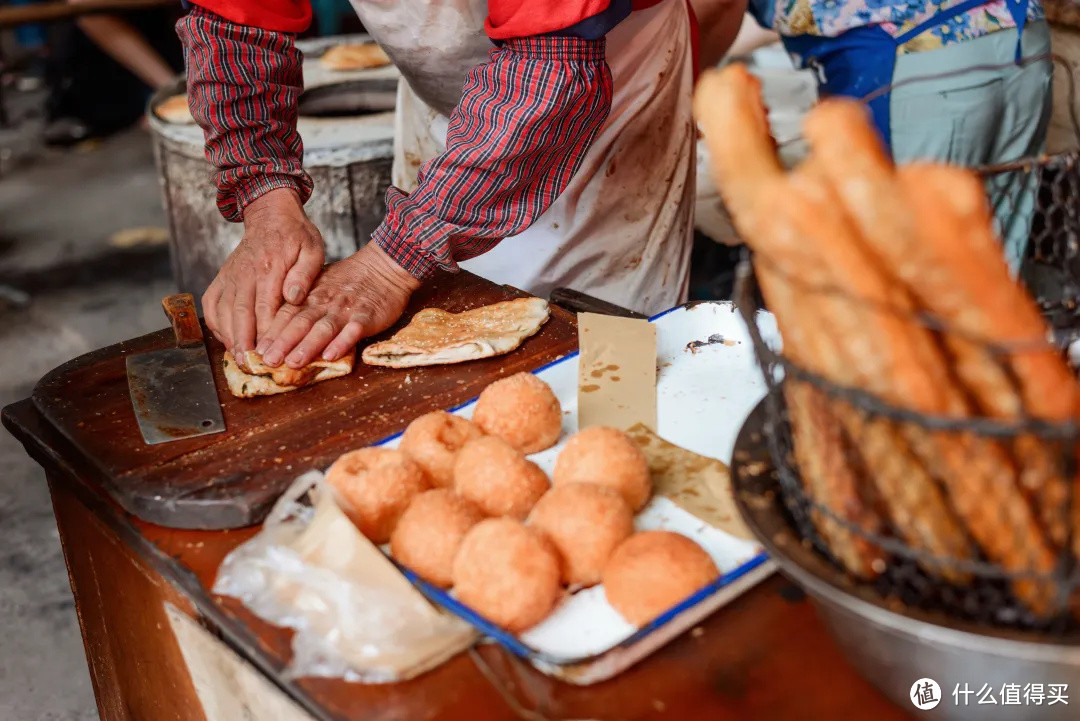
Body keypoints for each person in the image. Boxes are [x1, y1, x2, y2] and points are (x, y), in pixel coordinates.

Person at [177, 0, 746, 372]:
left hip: (604, 77)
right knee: (426, 342)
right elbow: (234, 24)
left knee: (603, 363)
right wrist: (265, 196)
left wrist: (387, 264)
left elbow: (549, 75)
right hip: (445, 85)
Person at [746, 0, 1052, 269]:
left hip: (916, 56)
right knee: (993, 281)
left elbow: (717, 7)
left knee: (904, 289)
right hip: (1020, 38)